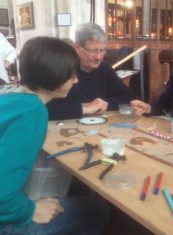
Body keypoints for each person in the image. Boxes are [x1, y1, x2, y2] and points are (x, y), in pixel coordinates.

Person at [0, 37, 109, 235]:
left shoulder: (8, 93)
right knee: (96, 210)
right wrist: (30, 211)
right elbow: (2, 195)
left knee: (75, 191)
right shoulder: (31, 112)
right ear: (53, 75)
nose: (76, 80)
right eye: (71, 75)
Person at [47, 22, 134, 120]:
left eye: (102, 50)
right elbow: (45, 108)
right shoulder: (62, 69)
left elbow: (126, 97)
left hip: (100, 126)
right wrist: (85, 108)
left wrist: (104, 104)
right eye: (93, 51)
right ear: (77, 47)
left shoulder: (104, 69)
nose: (99, 57)